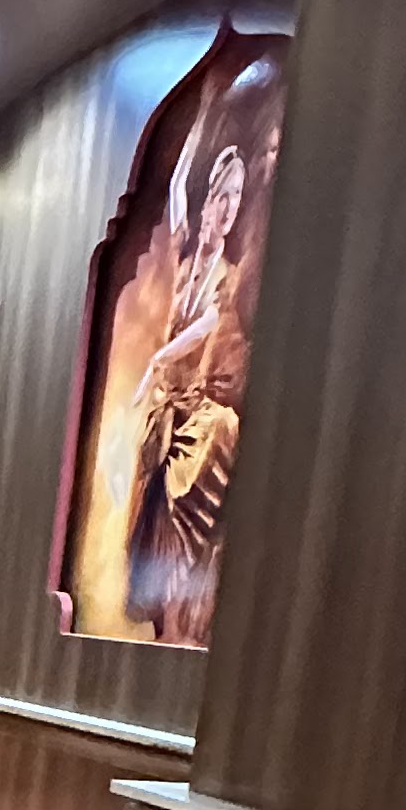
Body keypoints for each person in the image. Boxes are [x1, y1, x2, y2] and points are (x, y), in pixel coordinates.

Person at [123, 54, 282, 642]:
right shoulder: (188, 252)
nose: (228, 207)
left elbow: (200, 331)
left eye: (237, 198)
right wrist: (204, 109)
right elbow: (174, 189)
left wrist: (157, 363)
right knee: (147, 525)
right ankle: (163, 617)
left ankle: (182, 620)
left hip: (192, 417)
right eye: (223, 194)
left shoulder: (227, 278)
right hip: (165, 415)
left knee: (219, 432)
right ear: (210, 195)